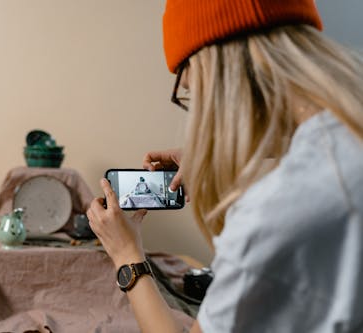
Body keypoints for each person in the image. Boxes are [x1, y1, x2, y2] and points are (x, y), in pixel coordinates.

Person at [86, 0, 363, 332]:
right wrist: (223, 153)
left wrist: (127, 256)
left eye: (190, 90)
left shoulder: (273, 216)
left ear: (217, 72)